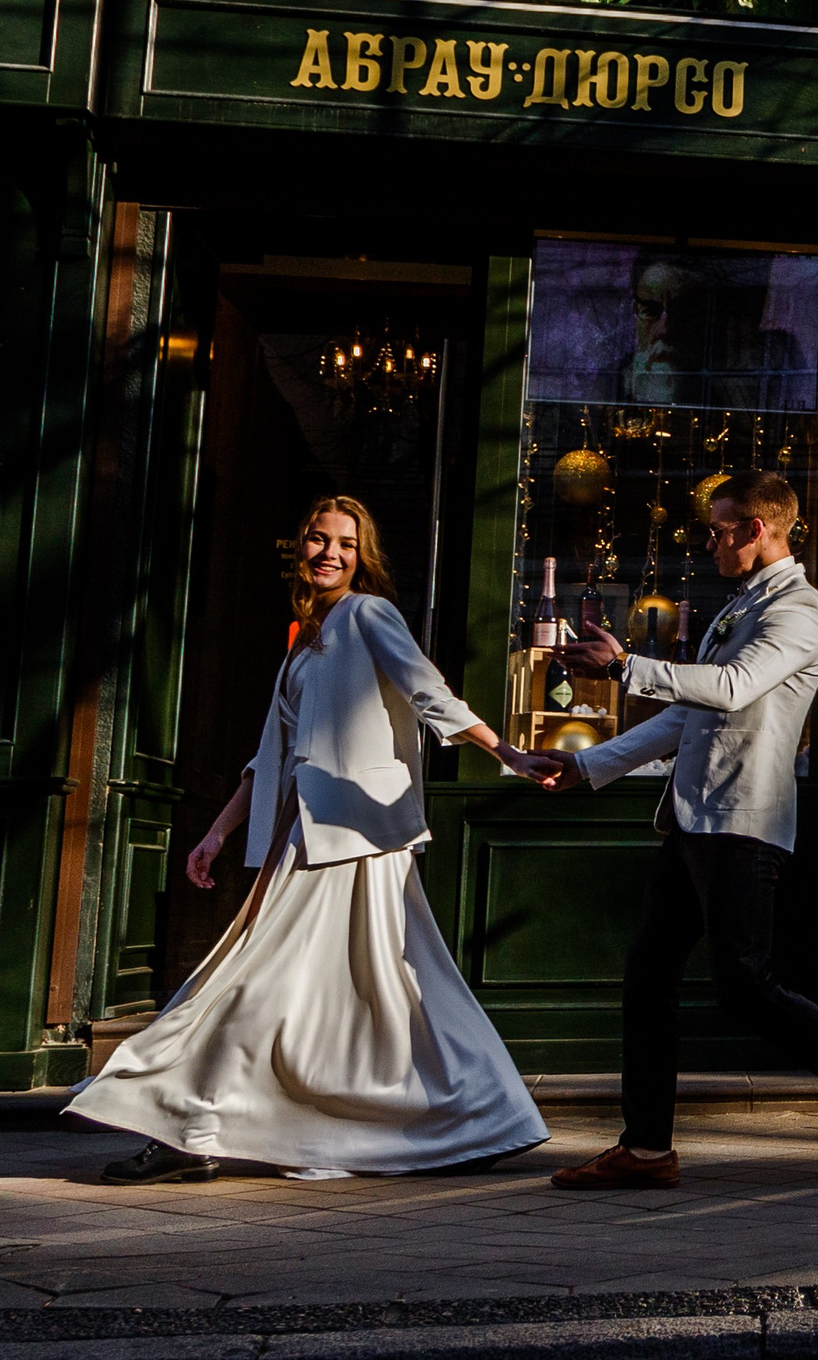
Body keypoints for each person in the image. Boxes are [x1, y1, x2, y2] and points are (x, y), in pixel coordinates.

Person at [69, 497, 552, 1185]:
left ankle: (193, 1128)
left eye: (346, 544)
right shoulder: (307, 636)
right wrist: (218, 833)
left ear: (362, 556)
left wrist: (508, 753)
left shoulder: (368, 614)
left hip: (358, 836)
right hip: (309, 832)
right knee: (384, 992)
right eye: (319, 540)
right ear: (299, 548)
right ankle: (487, 1116)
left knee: (264, 982)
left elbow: (429, 692)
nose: (330, 553)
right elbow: (273, 753)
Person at [527, 471, 818, 1188]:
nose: (708, 542)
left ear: (757, 529)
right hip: (694, 820)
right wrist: (588, 765)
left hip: (743, 823)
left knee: (745, 986)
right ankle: (647, 1149)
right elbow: (691, 713)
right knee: (650, 974)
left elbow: (735, 686)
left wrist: (626, 665)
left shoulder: (801, 611)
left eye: (717, 530)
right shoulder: (743, 606)